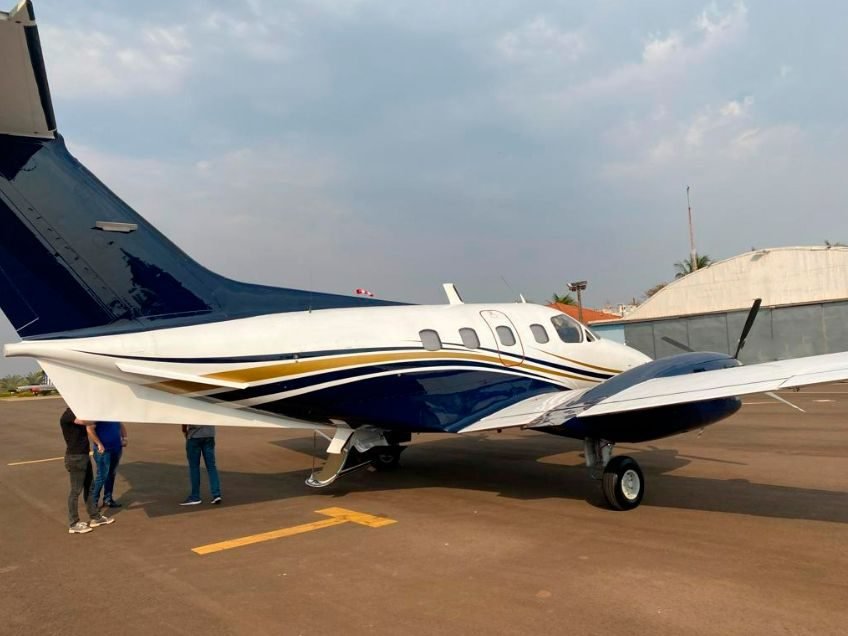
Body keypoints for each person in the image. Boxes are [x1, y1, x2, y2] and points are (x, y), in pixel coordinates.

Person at [59, 407, 115, 534]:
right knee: (75, 491)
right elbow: (87, 422)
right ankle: (73, 523)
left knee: (90, 487)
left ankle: (95, 517)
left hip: (83, 456)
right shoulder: (69, 414)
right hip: (75, 457)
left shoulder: (76, 413)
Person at [86, 420, 127, 509]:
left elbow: (120, 424)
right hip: (104, 451)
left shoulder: (113, 413)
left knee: (111, 474)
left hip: (116, 448)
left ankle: (108, 499)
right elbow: (89, 429)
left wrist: (124, 438)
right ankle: (93, 503)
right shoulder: (98, 414)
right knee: (102, 476)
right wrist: (99, 444)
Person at [181, 425, 222, 506]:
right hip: (209, 435)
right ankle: (216, 494)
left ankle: (195, 496)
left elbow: (184, 420)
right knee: (211, 467)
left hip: (194, 436)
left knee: (194, 467)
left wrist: (184, 431)